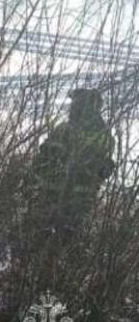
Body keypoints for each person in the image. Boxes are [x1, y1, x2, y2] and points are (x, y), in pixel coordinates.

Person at [32, 88, 115, 240]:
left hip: (67, 199)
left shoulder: (67, 130)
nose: (72, 108)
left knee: (53, 240)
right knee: (60, 240)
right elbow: (43, 158)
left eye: (76, 104)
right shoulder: (103, 134)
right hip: (69, 199)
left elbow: (105, 168)